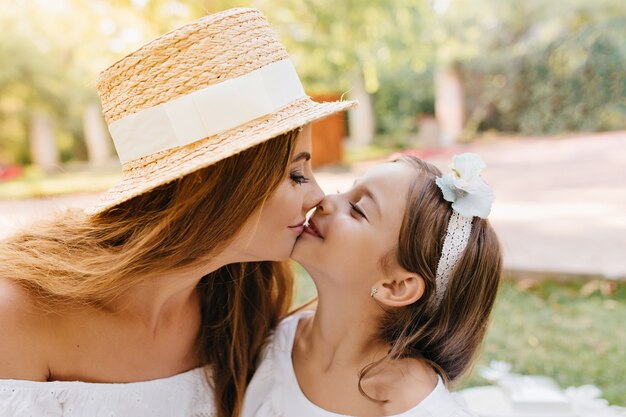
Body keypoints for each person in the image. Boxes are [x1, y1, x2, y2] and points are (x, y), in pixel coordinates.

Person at [0, 8, 354, 417]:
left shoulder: (242, 303)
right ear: (214, 185)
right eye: (296, 174)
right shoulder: (19, 314)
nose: (318, 195)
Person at [242, 153, 502, 417]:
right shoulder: (280, 341)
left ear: (395, 287)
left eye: (357, 210)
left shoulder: (409, 397)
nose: (326, 201)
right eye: (344, 191)